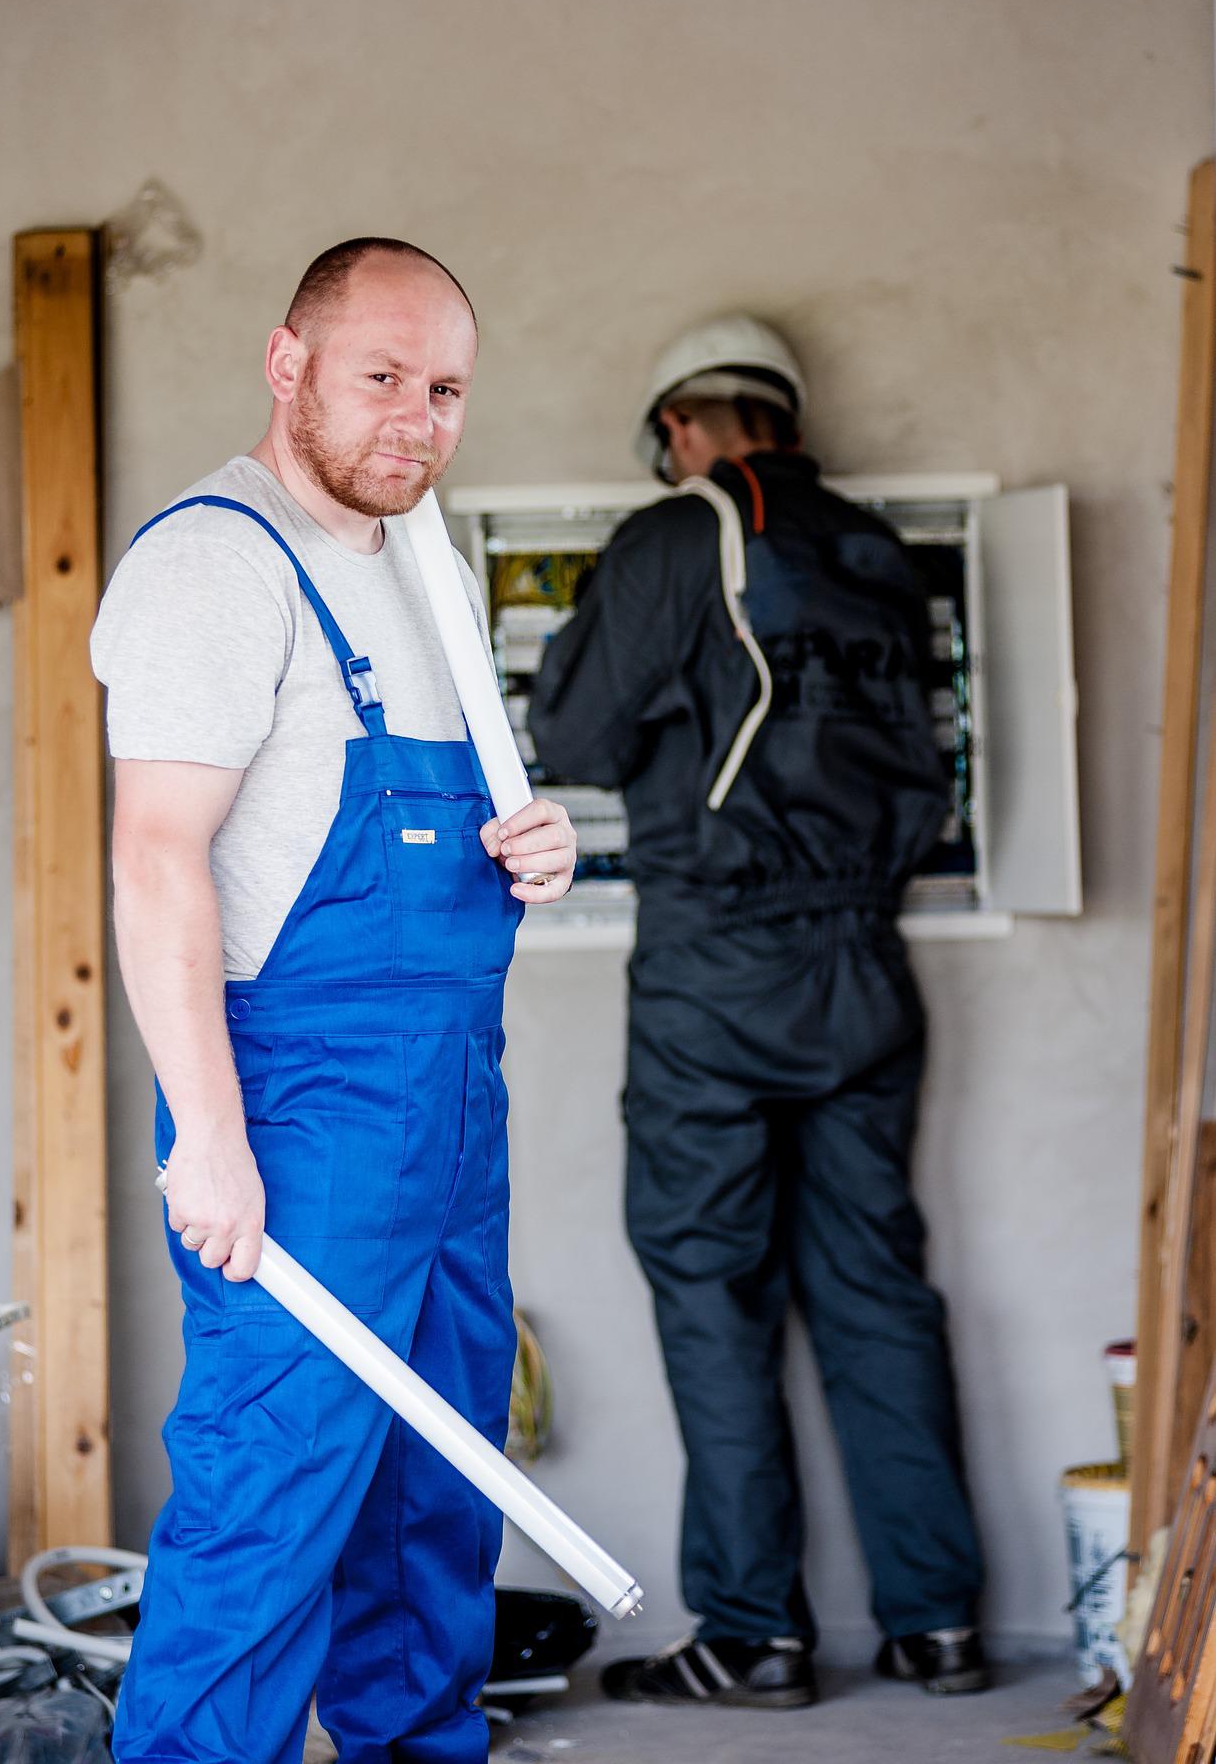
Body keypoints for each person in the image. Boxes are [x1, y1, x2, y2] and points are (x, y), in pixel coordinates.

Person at [91, 238, 577, 1764]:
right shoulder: (215, 565)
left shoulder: (422, 567)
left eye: (444, 390)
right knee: (271, 1504)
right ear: (286, 363)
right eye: (380, 379)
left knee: (435, 1502)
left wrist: (534, 837)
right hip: (295, 1116)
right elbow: (157, 860)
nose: (414, 422)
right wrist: (210, 1143)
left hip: (444, 1110)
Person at [528, 315, 988, 1711]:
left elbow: (572, 738)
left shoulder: (676, 539)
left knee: (713, 1293)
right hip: (866, 965)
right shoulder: (868, 550)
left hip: (716, 972)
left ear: (679, 428)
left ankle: (752, 1634)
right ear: (781, 414)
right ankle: (940, 1626)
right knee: (874, 1288)